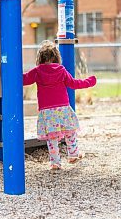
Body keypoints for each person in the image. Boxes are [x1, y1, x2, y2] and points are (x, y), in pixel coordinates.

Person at [23, 40, 97, 170]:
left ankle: (55, 163)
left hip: (47, 111)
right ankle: (73, 154)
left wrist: (8, 72)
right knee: (70, 132)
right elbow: (74, 84)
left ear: (40, 58)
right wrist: (89, 81)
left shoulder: (37, 71)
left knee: (52, 138)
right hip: (62, 108)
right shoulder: (61, 70)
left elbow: (24, 79)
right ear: (57, 57)